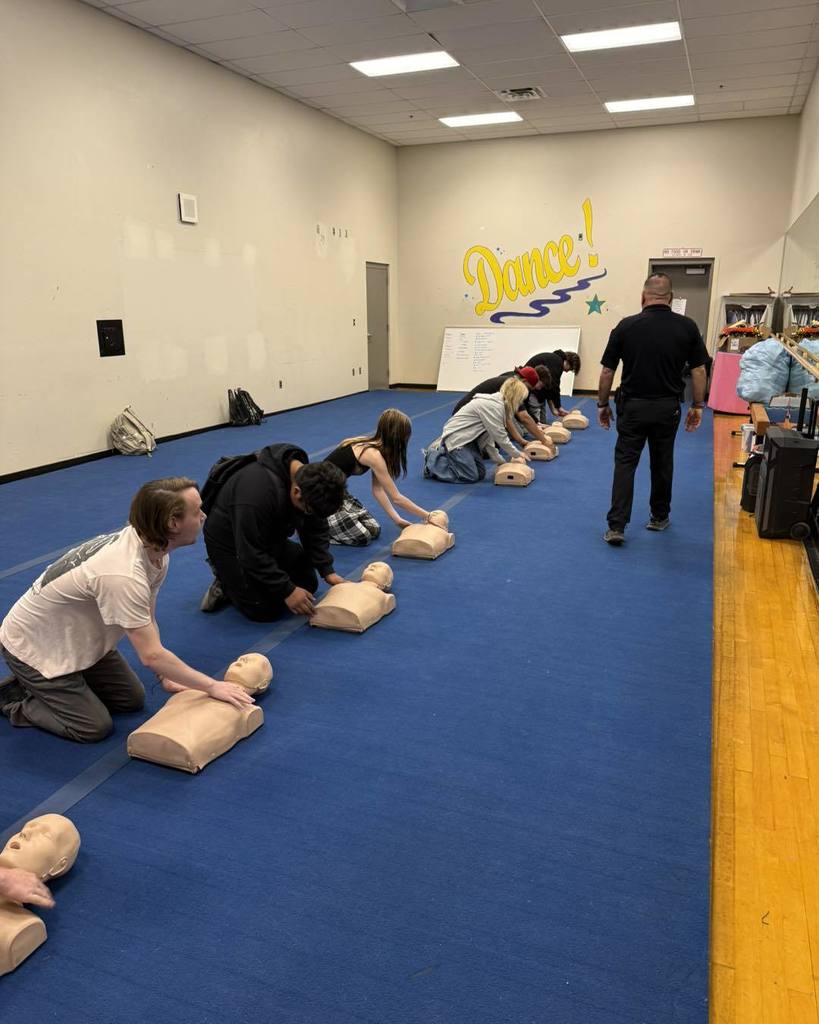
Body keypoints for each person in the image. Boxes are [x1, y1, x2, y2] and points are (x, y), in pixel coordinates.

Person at [0, 478, 253, 743]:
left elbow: (148, 621)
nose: (203, 516)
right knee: (93, 727)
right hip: (34, 646)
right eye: (196, 511)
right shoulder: (124, 574)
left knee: (131, 700)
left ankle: (58, 685)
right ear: (172, 523)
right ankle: (14, 698)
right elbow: (151, 655)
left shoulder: (155, 551)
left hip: (75, 639)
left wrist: (165, 675)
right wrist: (212, 686)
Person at [597, 273, 709, 545]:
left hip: (633, 407)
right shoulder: (687, 327)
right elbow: (699, 370)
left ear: (643, 297)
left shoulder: (625, 326)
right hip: (667, 408)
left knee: (625, 464)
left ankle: (617, 526)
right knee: (662, 462)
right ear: (670, 298)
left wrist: (602, 404)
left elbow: (607, 371)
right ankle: (659, 517)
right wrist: (697, 405)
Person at [201, 443, 346, 621]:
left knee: (308, 583)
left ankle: (248, 581)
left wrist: (327, 570)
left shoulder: (310, 483)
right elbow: (250, 551)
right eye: (308, 510)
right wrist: (287, 591)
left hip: (268, 535)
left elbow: (315, 526)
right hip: (232, 546)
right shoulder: (256, 494)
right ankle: (225, 582)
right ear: (296, 491)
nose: (310, 515)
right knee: (265, 610)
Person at [323, 409, 432, 545]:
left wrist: (397, 519)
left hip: (337, 493)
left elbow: (378, 490)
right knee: (362, 537)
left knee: (374, 529)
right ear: (397, 436)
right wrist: (428, 516)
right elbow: (396, 498)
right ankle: (315, 529)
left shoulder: (376, 450)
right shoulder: (372, 454)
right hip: (320, 496)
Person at [423, 377, 532, 482]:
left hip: (468, 440)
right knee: (470, 476)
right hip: (457, 439)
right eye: (520, 400)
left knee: (480, 474)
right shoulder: (494, 407)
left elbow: (489, 439)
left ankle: (447, 454)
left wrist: (501, 462)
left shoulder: (500, 406)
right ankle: (432, 462)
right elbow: (501, 437)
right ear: (515, 398)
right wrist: (517, 454)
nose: (520, 404)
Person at [451, 365, 553, 446]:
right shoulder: (513, 387)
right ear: (525, 381)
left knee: (495, 446)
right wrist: (544, 440)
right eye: (528, 388)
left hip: (474, 415)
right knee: (486, 450)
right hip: (465, 418)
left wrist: (521, 441)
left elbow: (507, 418)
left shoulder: (512, 382)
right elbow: (524, 418)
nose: (527, 392)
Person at [524, 350, 582, 421]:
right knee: (535, 422)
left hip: (537, 388)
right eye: (570, 369)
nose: (567, 371)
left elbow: (550, 388)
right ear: (568, 362)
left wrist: (555, 408)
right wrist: (558, 407)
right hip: (530, 388)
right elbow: (554, 387)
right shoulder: (557, 362)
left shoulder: (555, 360)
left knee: (543, 422)